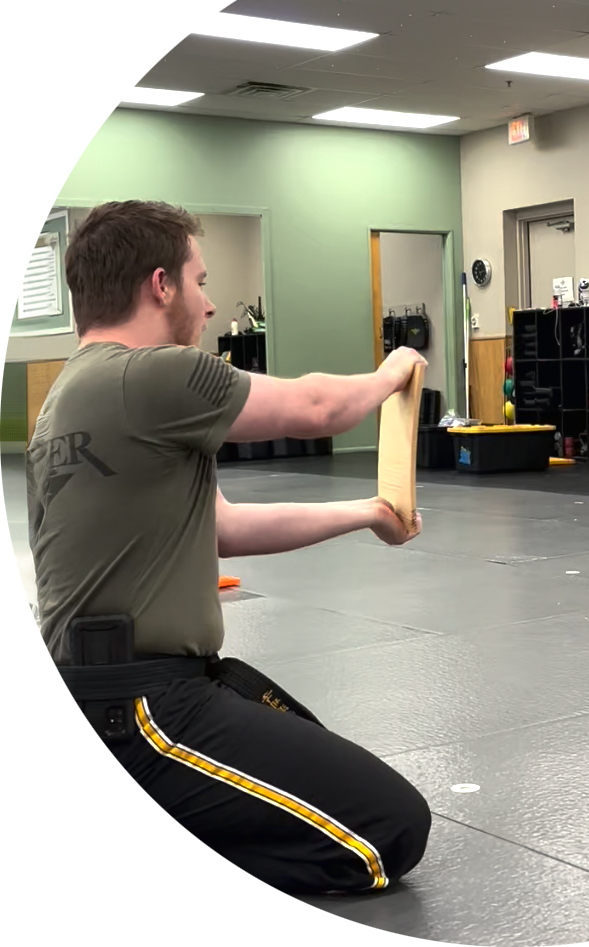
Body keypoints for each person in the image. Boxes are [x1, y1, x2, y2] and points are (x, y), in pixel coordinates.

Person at [27, 200, 432, 892]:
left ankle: (115, 810)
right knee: (389, 832)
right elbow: (316, 410)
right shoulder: (153, 375)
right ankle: (138, 831)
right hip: (139, 717)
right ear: (160, 285)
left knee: (307, 745)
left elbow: (224, 529)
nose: (210, 304)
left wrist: (368, 512)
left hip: (80, 716)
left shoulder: (69, 395)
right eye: (199, 280)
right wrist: (394, 370)